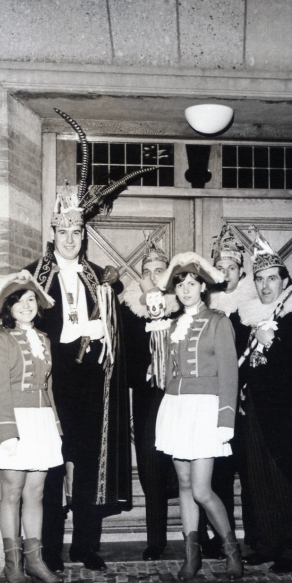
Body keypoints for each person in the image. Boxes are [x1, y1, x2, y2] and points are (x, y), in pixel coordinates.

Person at [25, 182, 132, 573]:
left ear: (84, 235)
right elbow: (24, 328)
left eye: (77, 232)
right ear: (53, 233)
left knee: (87, 464)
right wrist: (70, 334)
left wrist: (105, 329)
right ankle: (50, 550)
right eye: (64, 232)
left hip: (90, 388)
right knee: (51, 467)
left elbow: (117, 334)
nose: (70, 239)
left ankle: (85, 546)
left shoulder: (98, 278)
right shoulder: (32, 277)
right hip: (51, 387)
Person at [155, 252, 242, 581]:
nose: (186, 289)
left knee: (202, 489)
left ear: (203, 287)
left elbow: (230, 374)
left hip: (206, 409)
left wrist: (226, 419)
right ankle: (192, 557)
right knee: (185, 484)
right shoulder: (174, 324)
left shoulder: (219, 321)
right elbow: (169, 372)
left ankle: (232, 551)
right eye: (180, 285)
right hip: (177, 408)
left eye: (192, 283)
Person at [239, 228, 292, 573]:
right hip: (255, 410)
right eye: (260, 279)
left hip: (289, 414)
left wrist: (273, 341)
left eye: (272, 278)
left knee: (289, 479)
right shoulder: (247, 315)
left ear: (284, 280)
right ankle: (267, 544)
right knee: (259, 480)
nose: (265, 286)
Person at [0, 275, 64, 583]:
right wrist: (7, 433)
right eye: (19, 301)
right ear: (9, 307)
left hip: (40, 422)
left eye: (31, 300)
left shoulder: (43, 339)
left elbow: (47, 387)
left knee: (36, 493)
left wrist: (55, 425)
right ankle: (13, 565)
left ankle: (36, 562)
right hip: (12, 421)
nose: (26, 306)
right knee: (12, 492)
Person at [120, 237, 180, 560]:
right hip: (147, 398)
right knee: (150, 467)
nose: (154, 276)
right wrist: (144, 369)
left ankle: (201, 536)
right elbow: (125, 358)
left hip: (180, 396)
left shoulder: (181, 305)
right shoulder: (132, 311)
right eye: (147, 271)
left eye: (159, 270)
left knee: (188, 464)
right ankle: (156, 540)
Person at [206, 224, 257, 555]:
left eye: (231, 268)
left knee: (250, 472)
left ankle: (255, 537)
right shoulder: (205, 306)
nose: (225, 274)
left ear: (241, 271)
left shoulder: (253, 305)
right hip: (214, 400)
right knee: (217, 472)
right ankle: (220, 539)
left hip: (246, 400)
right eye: (220, 268)